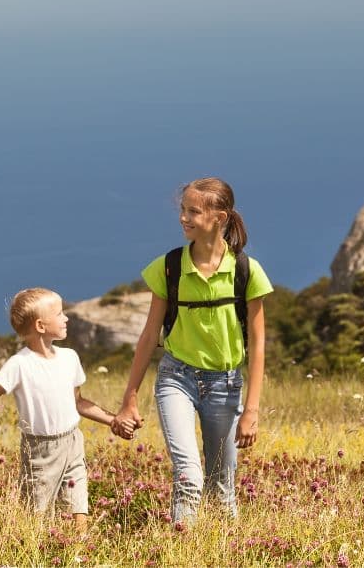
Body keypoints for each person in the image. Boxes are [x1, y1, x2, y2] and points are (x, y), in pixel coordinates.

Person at [113, 177, 272, 524]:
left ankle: (222, 553)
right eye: (183, 209)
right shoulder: (169, 267)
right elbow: (148, 336)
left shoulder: (246, 271)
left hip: (226, 386)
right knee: (189, 476)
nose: (184, 218)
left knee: (222, 487)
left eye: (193, 211)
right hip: (176, 379)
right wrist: (130, 397)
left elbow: (258, 345)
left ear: (220, 217)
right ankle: (181, 552)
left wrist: (252, 411)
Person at [0, 288, 121, 529]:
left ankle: (79, 554)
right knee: (35, 515)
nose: (66, 318)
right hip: (39, 450)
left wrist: (114, 420)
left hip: (72, 442)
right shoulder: (18, 364)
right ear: (40, 325)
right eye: (60, 314)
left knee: (78, 507)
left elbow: (79, 402)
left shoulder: (70, 358)